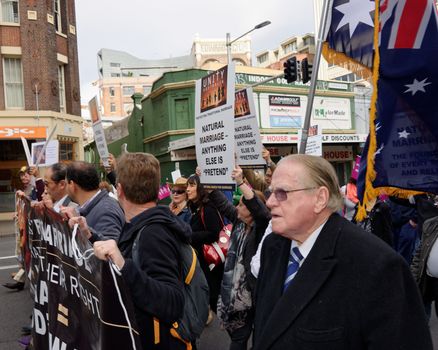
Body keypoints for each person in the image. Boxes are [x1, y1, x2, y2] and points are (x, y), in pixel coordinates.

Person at [253, 154, 432, 350]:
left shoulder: (377, 266)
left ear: (320, 198)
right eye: (270, 192)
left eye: (282, 193)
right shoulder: (273, 246)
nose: (269, 202)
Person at [70, 153, 190, 349]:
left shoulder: (154, 233)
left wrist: (124, 266)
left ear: (119, 190)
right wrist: (89, 234)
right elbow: (126, 254)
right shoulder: (141, 223)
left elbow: (173, 303)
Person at [217, 166, 270, 350]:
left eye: (241, 204)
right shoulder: (239, 224)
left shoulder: (261, 228)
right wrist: (206, 180)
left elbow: (261, 212)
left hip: (253, 294)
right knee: (239, 337)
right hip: (234, 295)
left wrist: (241, 182)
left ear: (251, 211)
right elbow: (222, 204)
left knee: (252, 339)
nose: (236, 207)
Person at [186, 174, 224, 321]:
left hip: (211, 263)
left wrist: (189, 236)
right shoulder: (195, 207)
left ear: (200, 188)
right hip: (202, 261)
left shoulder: (208, 208)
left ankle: (236, 333)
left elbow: (214, 233)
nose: (188, 190)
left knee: (214, 298)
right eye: (187, 186)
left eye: (192, 185)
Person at [62, 161, 124, 241]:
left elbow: (109, 249)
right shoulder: (96, 207)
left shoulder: (106, 210)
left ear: (72, 185)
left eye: (66, 183)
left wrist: (82, 229)